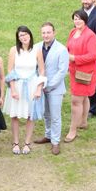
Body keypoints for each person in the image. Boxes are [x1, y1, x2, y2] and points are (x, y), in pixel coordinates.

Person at [3, 26, 47, 156]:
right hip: (17, 84)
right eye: (20, 35)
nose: (23, 37)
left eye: (25, 34)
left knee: (30, 115)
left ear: (30, 35)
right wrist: (13, 89)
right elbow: (10, 70)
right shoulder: (13, 50)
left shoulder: (37, 50)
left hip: (32, 85)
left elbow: (42, 70)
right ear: (18, 38)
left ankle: (27, 142)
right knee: (15, 115)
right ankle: (16, 142)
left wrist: (39, 88)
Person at [33, 23, 69, 156]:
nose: (46, 35)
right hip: (41, 87)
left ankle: (55, 141)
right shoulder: (36, 47)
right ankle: (48, 135)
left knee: (55, 116)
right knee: (46, 114)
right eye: (43, 33)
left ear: (54, 33)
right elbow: (35, 67)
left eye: (48, 32)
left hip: (55, 88)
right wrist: (39, 84)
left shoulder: (61, 49)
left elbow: (62, 71)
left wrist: (49, 85)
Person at [65, 10, 96, 143]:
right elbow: (68, 49)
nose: (77, 21)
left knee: (75, 101)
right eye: (75, 19)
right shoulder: (73, 32)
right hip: (74, 71)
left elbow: (93, 55)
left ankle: (72, 130)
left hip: (85, 72)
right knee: (83, 98)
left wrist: (74, 58)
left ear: (85, 20)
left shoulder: (91, 36)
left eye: (79, 19)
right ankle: (83, 121)